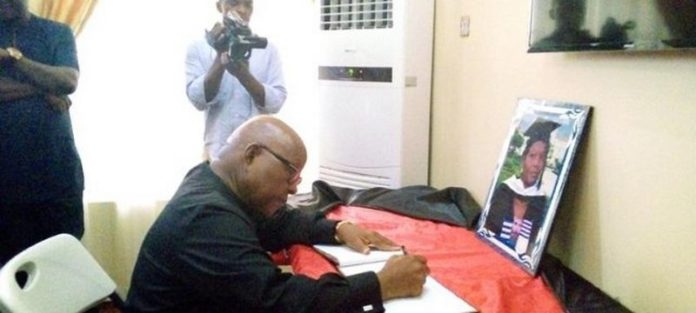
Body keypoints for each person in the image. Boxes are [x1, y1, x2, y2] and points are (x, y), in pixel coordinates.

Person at [124, 116, 429, 312]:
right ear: (252, 155)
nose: (295, 189)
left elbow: (276, 224)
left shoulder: (212, 182)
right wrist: (381, 284)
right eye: (291, 174)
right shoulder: (205, 216)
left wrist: (337, 229)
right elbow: (276, 301)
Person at [0, 0, 84, 265]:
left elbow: (68, 81)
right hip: (6, 183)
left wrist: (14, 59)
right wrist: (44, 88)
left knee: (62, 266)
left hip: (57, 176)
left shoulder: (57, 32)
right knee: (10, 276)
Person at [186, 0, 287, 159]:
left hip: (258, 155)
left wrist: (244, 75)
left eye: (248, 5)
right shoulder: (199, 47)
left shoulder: (267, 49)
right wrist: (221, 56)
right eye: (233, 3)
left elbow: (276, 102)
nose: (242, 10)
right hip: (217, 155)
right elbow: (198, 100)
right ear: (219, 6)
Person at [483, 119, 560, 259]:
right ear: (523, 158)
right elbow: (489, 232)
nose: (537, 164)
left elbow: (532, 245)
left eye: (542, 158)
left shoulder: (541, 200)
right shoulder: (505, 190)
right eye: (532, 156)